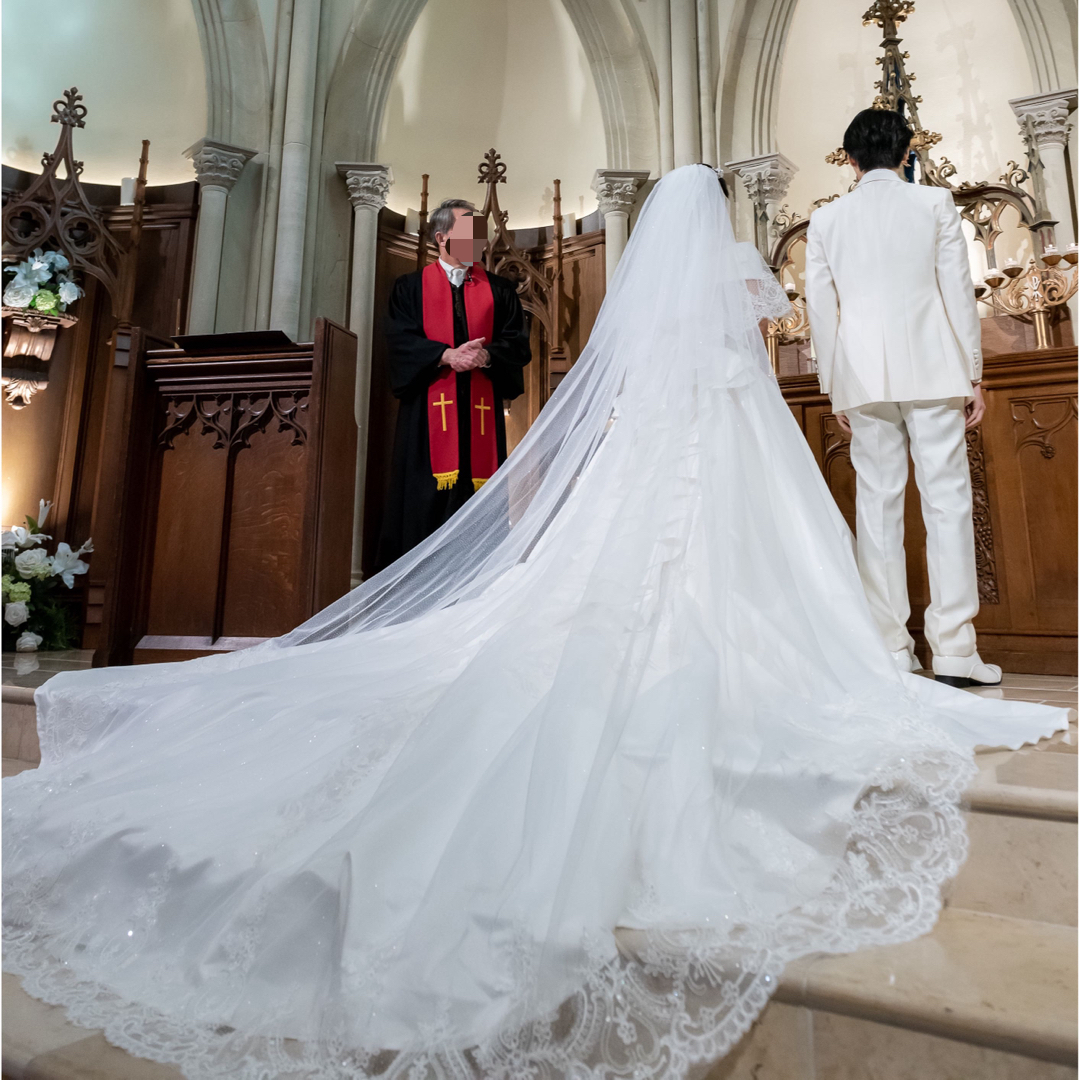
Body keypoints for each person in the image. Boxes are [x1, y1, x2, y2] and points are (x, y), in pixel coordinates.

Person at [3, 165, 1066, 1080]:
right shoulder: (745, 285)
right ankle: (916, 647)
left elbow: (611, 390)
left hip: (683, 439)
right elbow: (761, 338)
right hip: (823, 401)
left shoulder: (653, 329)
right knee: (779, 554)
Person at [804, 108, 998, 688]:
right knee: (947, 504)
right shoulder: (934, 205)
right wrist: (973, 372)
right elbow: (957, 294)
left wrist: (831, 382)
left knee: (877, 507)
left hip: (861, 376)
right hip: (933, 368)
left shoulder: (825, 221)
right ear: (906, 151)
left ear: (851, 158)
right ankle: (956, 651)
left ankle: (891, 650)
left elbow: (819, 308)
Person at [377, 199, 531, 569]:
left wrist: (486, 356)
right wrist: (446, 356)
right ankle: (414, 594)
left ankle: (475, 595)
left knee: (478, 505)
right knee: (421, 502)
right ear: (442, 237)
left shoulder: (500, 291)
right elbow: (399, 340)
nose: (479, 239)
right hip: (424, 427)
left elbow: (517, 343)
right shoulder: (410, 289)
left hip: (480, 417)